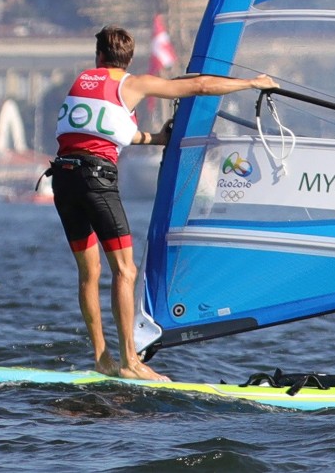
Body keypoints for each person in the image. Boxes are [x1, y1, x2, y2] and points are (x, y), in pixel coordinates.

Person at [51, 24, 279, 381]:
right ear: (127, 60)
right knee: (124, 271)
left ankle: (102, 359)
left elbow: (103, 131)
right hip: (96, 180)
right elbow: (199, 86)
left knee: (88, 273)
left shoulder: (81, 82)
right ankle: (129, 362)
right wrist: (252, 83)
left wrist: (158, 138)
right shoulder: (131, 83)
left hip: (63, 178)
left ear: (98, 57)